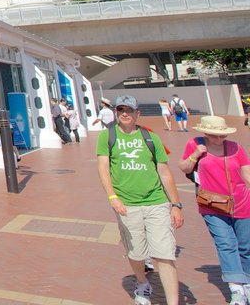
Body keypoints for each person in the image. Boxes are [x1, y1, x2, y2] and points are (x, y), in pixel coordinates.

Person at [97, 95, 184, 305]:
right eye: (120, 110)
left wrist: (176, 204)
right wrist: (112, 197)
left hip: (156, 202)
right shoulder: (108, 136)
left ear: (138, 113)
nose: (124, 114)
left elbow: (164, 171)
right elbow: (103, 168)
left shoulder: (150, 137)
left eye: (129, 110)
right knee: (135, 252)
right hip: (127, 205)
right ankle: (142, 282)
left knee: (165, 254)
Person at [179, 116, 250, 305]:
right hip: (212, 205)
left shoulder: (236, 147)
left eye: (222, 135)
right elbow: (184, 167)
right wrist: (195, 154)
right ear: (205, 133)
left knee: (246, 246)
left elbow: (246, 172)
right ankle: (237, 289)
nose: (219, 139)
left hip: (242, 202)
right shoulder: (195, 144)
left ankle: (248, 284)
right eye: (214, 135)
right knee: (226, 244)